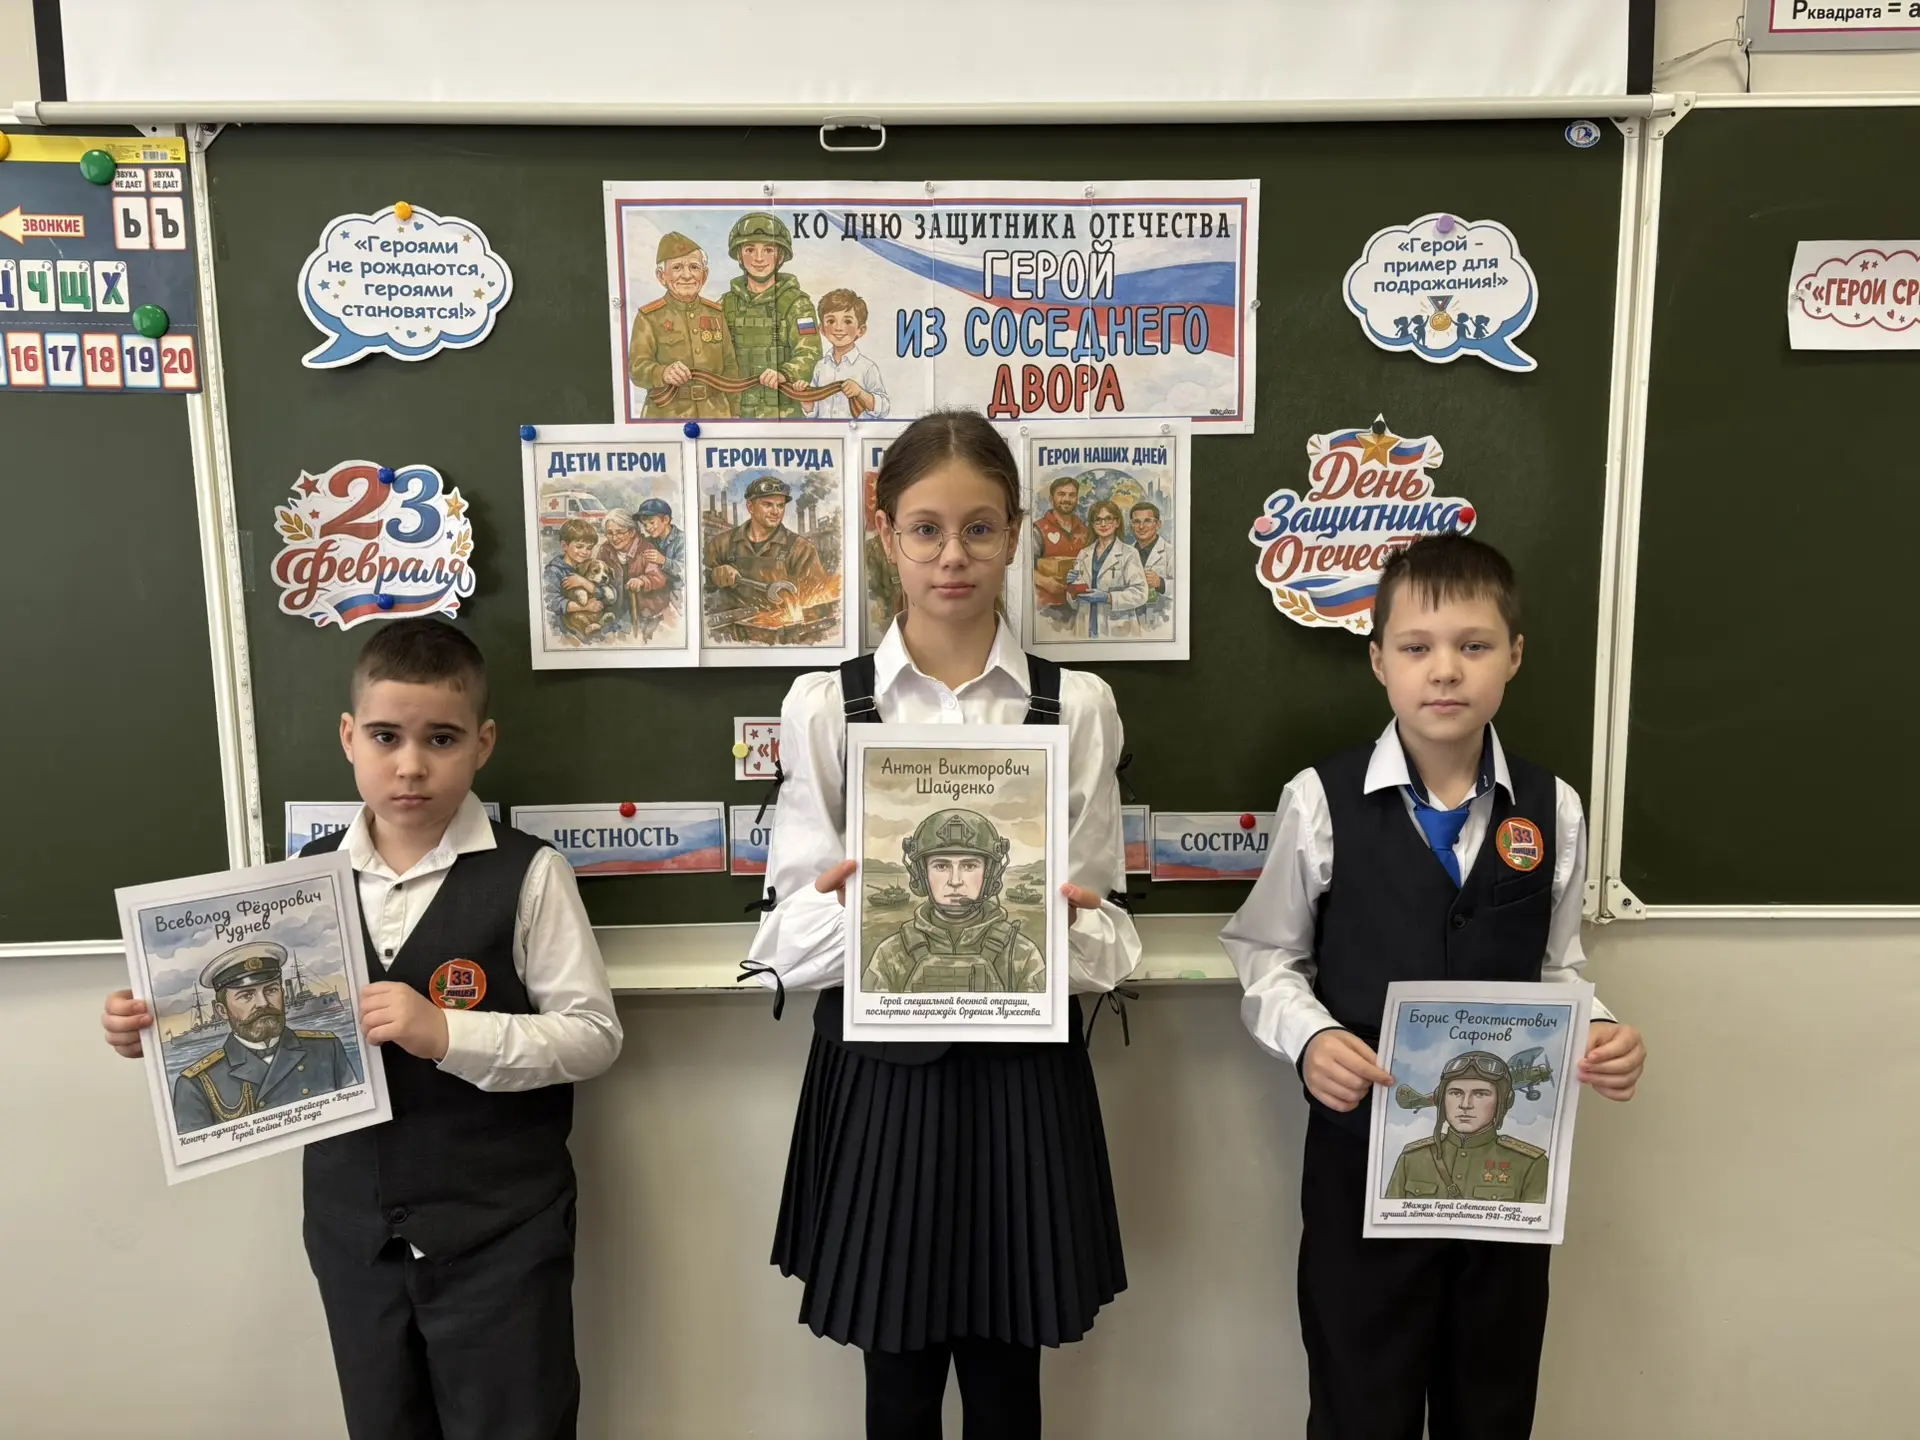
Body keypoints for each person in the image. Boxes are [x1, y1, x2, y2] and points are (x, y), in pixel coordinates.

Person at [103, 618, 623, 1440]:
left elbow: (592, 1035)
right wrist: (149, 1030)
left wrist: (447, 1033)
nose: (411, 764)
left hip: (501, 1235)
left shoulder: (531, 873)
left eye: (441, 738)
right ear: (349, 737)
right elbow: (247, 1030)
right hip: (355, 1240)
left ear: (483, 743)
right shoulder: (298, 884)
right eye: (386, 736)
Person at [742, 409, 1140, 1439]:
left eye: (978, 528)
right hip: (881, 1080)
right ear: (886, 535)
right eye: (925, 529)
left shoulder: (1076, 706)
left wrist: (1063, 927)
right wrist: (859, 906)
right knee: (898, 1381)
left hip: (1026, 1080)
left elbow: (1108, 938)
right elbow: (781, 943)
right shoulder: (827, 706)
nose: (951, 555)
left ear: (1015, 535)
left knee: (1011, 1382)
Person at [1219, 533, 1647, 1440]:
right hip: (1361, 1168)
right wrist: (1311, 1038)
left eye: (1473, 645)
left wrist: (1598, 1029)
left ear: (1514, 656)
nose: (1445, 670)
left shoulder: (1554, 808)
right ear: (1380, 660)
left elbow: (1556, 967)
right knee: (1360, 1402)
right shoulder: (1320, 799)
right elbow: (1265, 954)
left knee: (1490, 1402)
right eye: (1417, 647)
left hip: (1507, 1186)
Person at [171, 941, 360, 1134]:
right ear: (222, 1010)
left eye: (271, 990)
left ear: (282, 994)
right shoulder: (196, 1084)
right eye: (246, 995)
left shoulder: (327, 1049)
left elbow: (357, 1116)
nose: (263, 1003)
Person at [861, 808, 1046, 994]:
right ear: (921, 874)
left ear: (990, 874)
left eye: (969, 866)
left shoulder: (1022, 954)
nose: (955, 881)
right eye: (941, 866)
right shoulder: (890, 954)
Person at [1385, 1050, 1548, 1203]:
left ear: (1504, 1101)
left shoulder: (1530, 1164)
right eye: (1456, 1093)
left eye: (1480, 1094)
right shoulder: (1411, 1159)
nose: (1465, 1104)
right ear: (1442, 1099)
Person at [703, 474, 831, 640]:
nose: (776, 511)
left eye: (780, 505)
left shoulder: (802, 549)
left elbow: (819, 602)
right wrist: (714, 575)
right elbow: (696, 588)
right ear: (751, 507)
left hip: (782, 638)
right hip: (730, 637)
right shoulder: (721, 544)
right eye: (768, 504)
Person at [628, 231, 739, 420]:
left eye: (694, 267)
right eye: (677, 267)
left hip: (716, 412)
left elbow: (730, 369)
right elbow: (636, 369)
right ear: (661, 276)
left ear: (704, 275)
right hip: (666, 414)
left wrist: (735, 413)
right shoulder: (649, 317)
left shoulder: (716, 313)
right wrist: (663, 372)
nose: (687, 275)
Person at [721, 212, 821, 419]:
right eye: (750, 250)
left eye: (768, 250)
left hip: (784, 413)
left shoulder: (797, 304)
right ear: (739, 255)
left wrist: (785, 373)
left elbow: (810, 352)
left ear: (781, 256)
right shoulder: (725, 304)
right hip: (736, 414)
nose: (759, 258)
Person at [1063, 500, 1149, 640]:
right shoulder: (1084, 554)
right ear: (1092, 524)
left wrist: (1108, 598)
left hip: (1118, 629)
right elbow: (1074, 604)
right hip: (1085, 626)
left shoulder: (1129, 553)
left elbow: (1141, 594)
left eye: (1108, 519)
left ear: (1117, 522)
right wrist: (1072, 590)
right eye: (1098, 520)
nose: (1103, 524)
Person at [803, 287, 890, 420]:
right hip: (825, 432)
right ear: (822, 329)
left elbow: (883, 409)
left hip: (856, 431)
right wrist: (806, 401)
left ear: (861, 330)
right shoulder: (820, 366)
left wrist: (860, 393)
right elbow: (814, 413)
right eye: (831, 321)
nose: (838, 328)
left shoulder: (867, 367)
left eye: (847, 321)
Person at [595, 508, 674, 639]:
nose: (614, 538)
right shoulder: (605, 550)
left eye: (620, 532)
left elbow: (658, 577)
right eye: (610, 533)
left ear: (632, 532)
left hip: (646, 610)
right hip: (618, 607)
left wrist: (641, 581)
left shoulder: (645, 548)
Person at [544, 518, 621, 642]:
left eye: (589, 548)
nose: (585, 552)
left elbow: (611, 597)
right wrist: (585, 607)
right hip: (567, 627)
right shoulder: (554, 571)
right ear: (564, 546)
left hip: (595, 619)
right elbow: (551, 603)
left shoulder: (590, 565)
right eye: (579, 546)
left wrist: (584, 583)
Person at [1030, 475, 1089, 621]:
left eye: (1072, 495)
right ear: (1052, 499)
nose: (1067, 499)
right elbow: (1024, 568)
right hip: (1048, 608)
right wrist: (1045, 581)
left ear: (1077, 499)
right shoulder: (1038, 529)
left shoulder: (1085, 531)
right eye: (1061, 494)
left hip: (1081, 605)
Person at [1127, 500, 1173, 629]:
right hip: (1130, 622)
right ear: (1131, 525)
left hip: (1161, 621)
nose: (1141, 527)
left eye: (1147, 521)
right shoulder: (1125, 553)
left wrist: (1160, 583)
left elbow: (1184, 588)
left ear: (1158, 524)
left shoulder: (1171, 552)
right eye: (1136, 522)